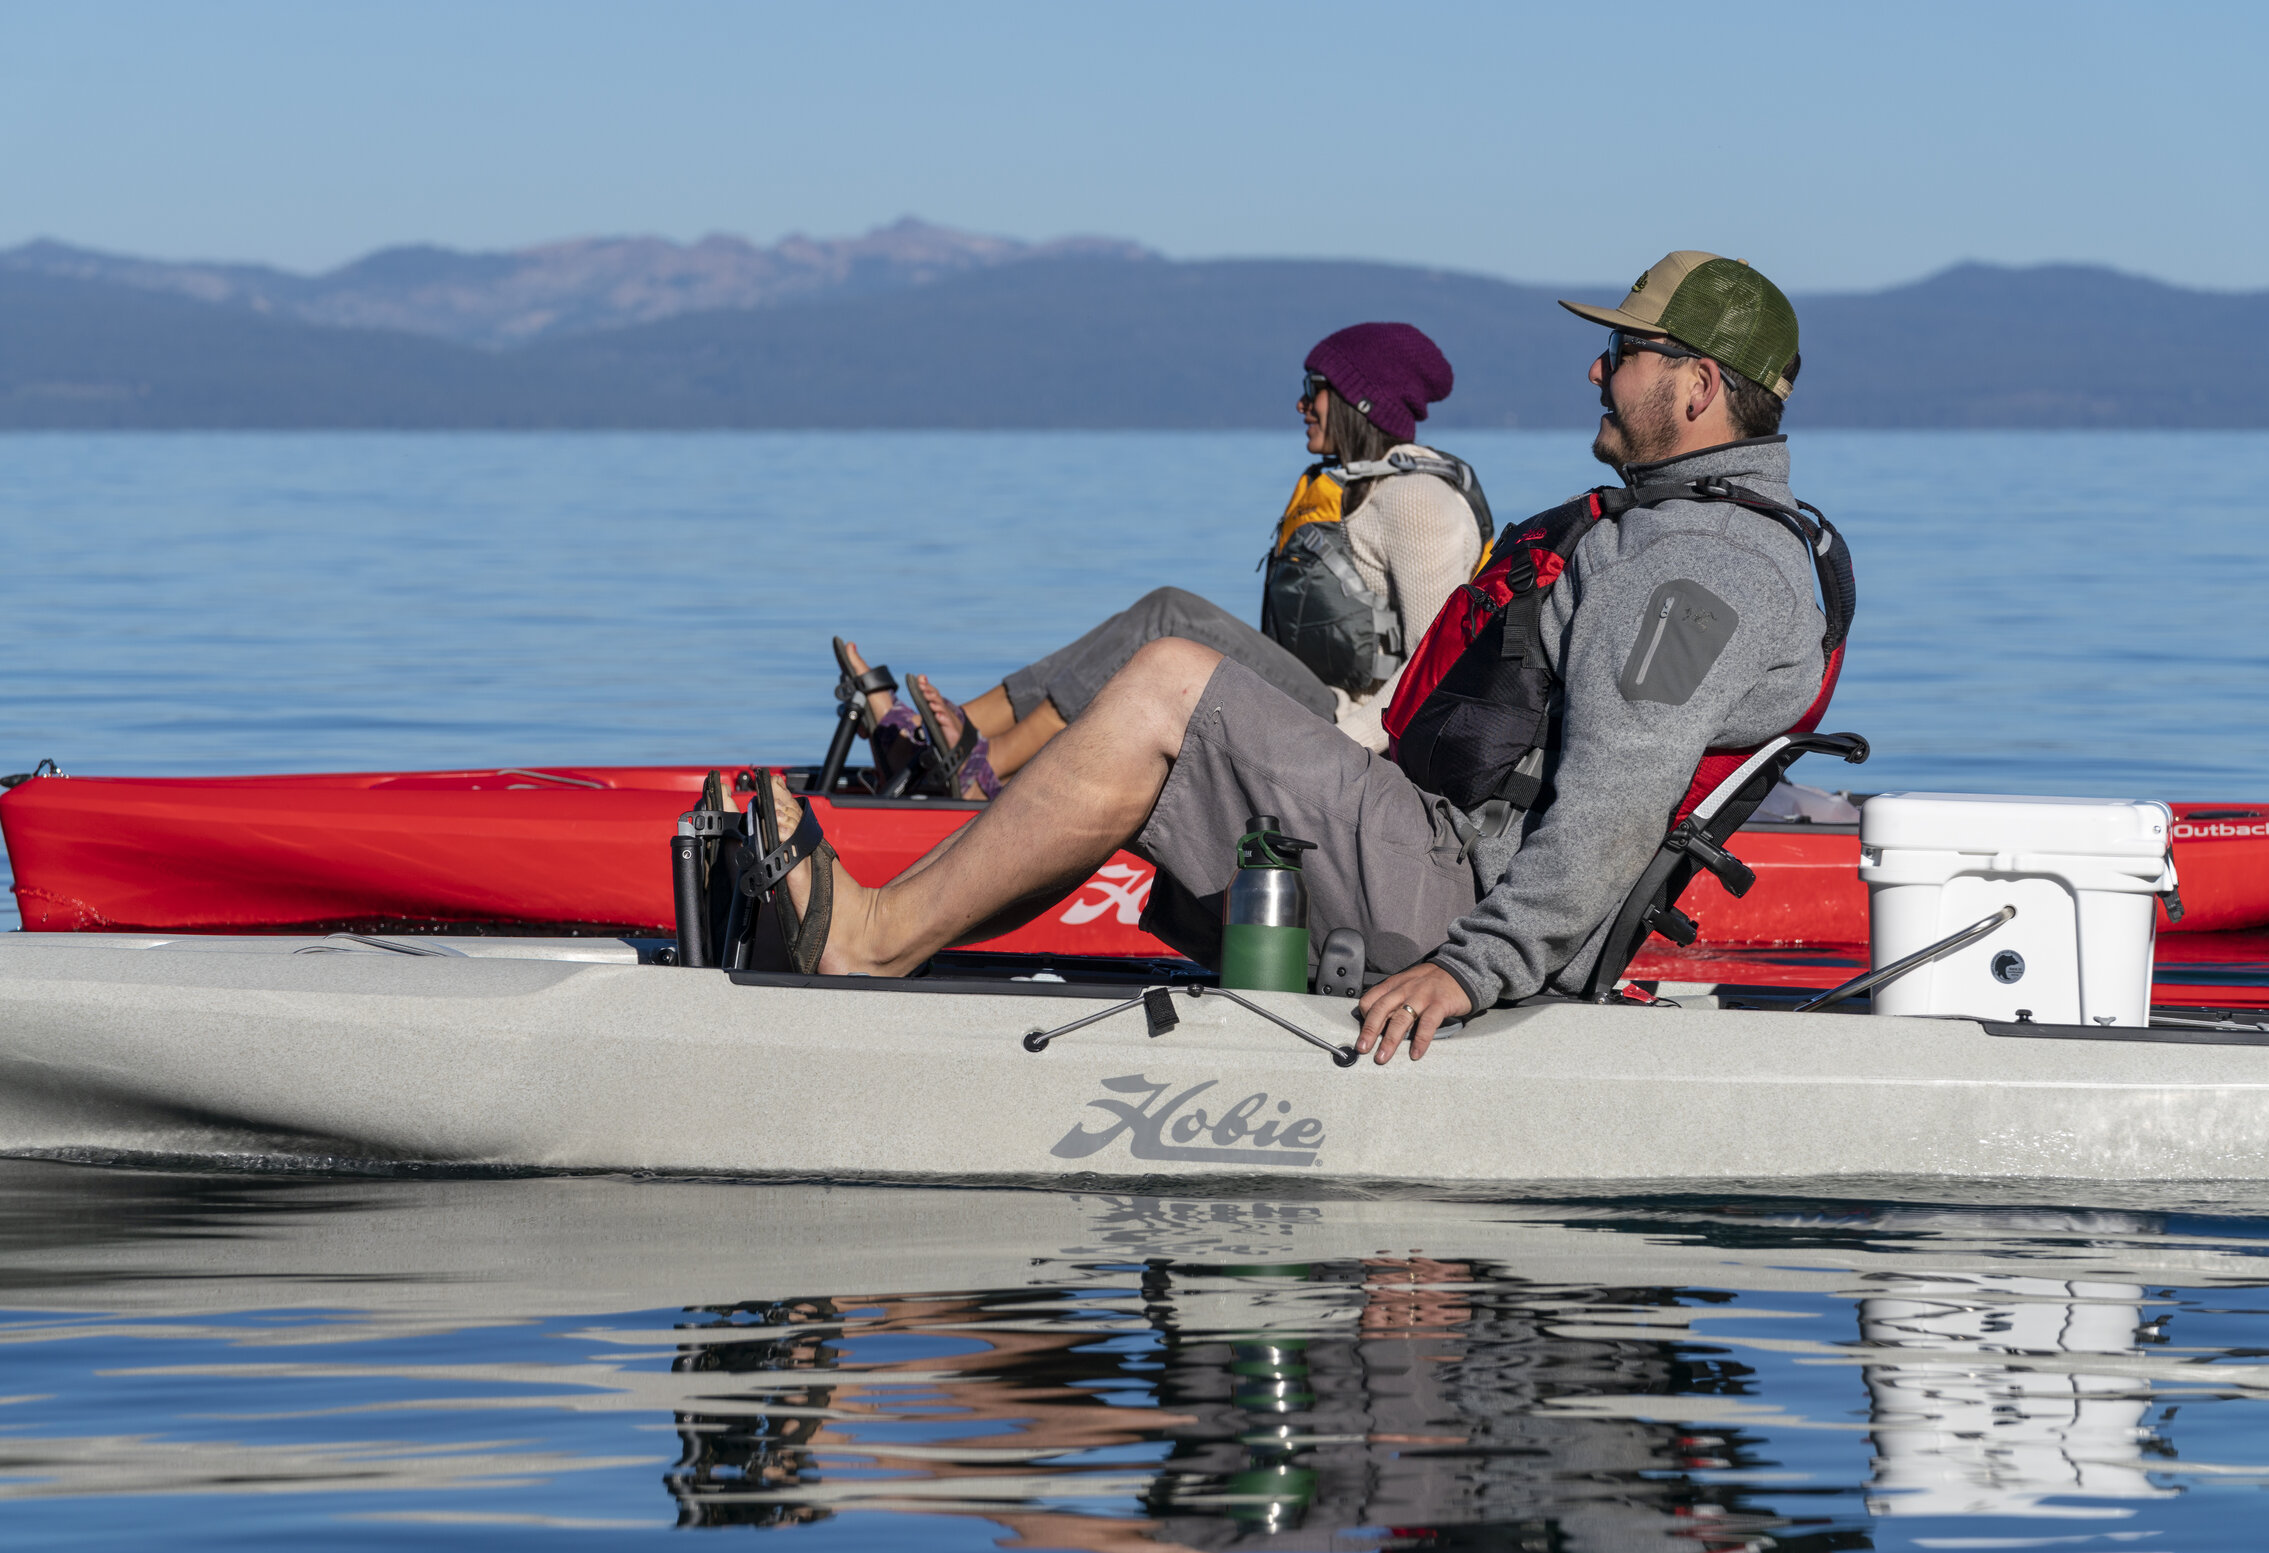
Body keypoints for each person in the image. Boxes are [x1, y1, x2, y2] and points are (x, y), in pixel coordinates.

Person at [762, 253, 1841, 1067]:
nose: (1596, 368)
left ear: (1697, 386)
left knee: (1170, 688)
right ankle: (897, 937)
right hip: (1440, 846)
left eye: (1626, 353)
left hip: (1458, 896)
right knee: (1171, 647)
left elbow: (1617, 798)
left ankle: (875, 938)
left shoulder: (1699, 567)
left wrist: (1470, 970)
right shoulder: (1674, 535)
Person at [842, 322, 1491, 798]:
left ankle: (993, 764)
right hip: (1320, 706)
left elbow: (1437, 667)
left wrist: (1352, 741)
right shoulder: (1362, 489)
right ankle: (951, 734)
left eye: (1313, 389)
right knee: (1151, 622)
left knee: (1170, 617)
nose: (1301, 405)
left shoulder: (1420, 506)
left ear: (1360, 402)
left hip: (1349, 737)